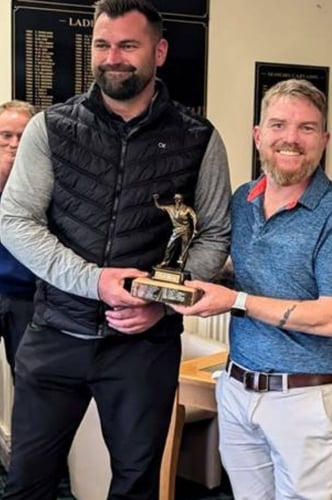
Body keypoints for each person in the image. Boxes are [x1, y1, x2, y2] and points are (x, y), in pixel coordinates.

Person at [0, 0, 231, 497]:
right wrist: (95, 281)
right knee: (26, 484)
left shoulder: (200, 138)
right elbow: (15, 222)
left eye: (129, 45)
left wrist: (160, 303)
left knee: (136, 485)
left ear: (160, 51)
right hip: (55, 334)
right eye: (103, 45)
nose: (113, 57)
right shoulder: (49, 128)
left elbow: (213, 233)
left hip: (142, 349)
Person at [172, 79, 332, 499]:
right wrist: (197, 280)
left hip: (304, 397)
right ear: (258, 136)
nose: (291, 139)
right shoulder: (243, 199)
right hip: (236, 388)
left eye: (306, 128)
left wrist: (236, 301)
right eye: (279, 125)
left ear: (324, 139)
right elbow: (242, 270)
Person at [0, 100, 36, 378]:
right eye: (5, 135)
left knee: (27, 377)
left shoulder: (43, 180)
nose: (13, 143)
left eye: (22, 136)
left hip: (27, 297)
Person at [154, 192, 198, 269]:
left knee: (184, 248)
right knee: (170, 246)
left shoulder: (187, 208)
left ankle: (182, 265)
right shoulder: (171, 208)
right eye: (176, 199)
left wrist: (195, 229)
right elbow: (159, 206)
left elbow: (194, 217)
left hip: (185, 230)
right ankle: (165, 262)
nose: (177, 200)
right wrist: (155, 200)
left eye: (179, 199)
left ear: (182, 200)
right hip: (176, 230)